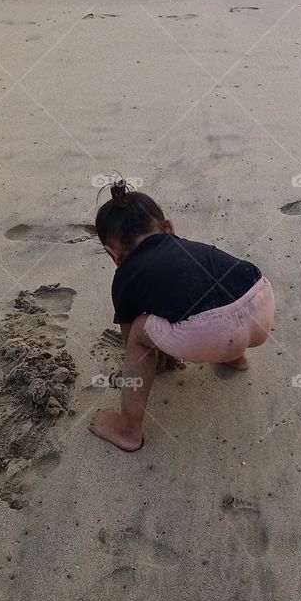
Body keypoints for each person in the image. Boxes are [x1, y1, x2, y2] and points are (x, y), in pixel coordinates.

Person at [88, 181, 274, 451]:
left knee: (140, 336)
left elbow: (133, 342)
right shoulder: (187, 246)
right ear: (169, 228)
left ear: (113, 254)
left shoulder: (124, 276)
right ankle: (236, 358)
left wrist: (157, 359)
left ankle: (128, 430)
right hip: (260, 299)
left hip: (211, 333)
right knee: (213, 291)